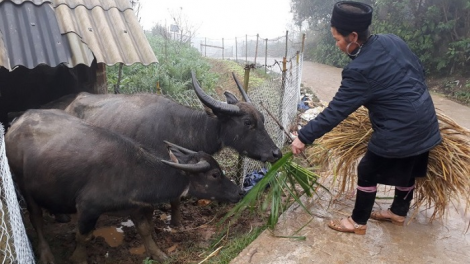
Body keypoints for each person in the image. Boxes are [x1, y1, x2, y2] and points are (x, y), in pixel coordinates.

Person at [291, 1, 442, 235]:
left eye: (337, 39)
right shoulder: (393, 40)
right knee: (408, 168)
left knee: (368, 168)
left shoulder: (358, 70)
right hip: (426, 121)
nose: (337, 44)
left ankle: (357, 222)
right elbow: (419, 72)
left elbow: (335, 111)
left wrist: (303, 136)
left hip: (400, 128)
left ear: (352, 37)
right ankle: (398, 213)